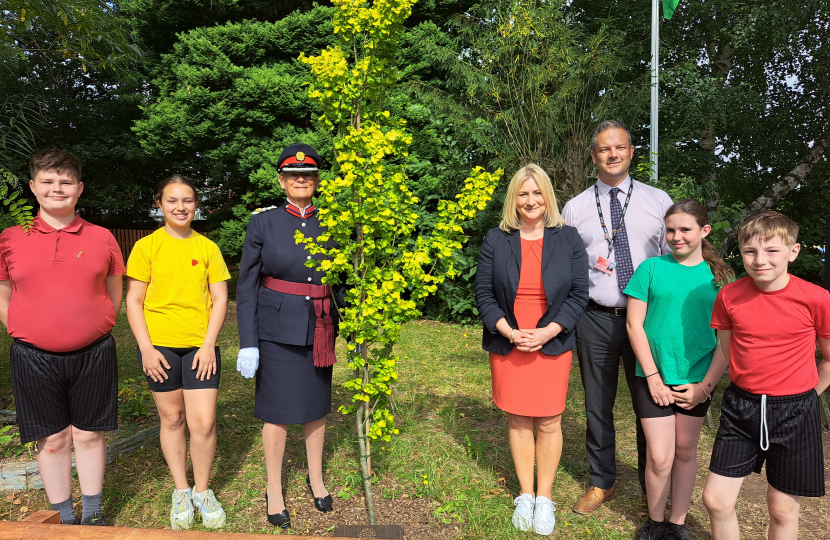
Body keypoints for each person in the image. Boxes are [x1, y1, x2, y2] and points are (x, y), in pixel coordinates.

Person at [0, 148, 124, 526]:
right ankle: (64, 518)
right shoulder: (9, 238)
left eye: (66, 181)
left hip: (94, 353)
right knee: (51, 439)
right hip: (33, 356)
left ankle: (93, 513)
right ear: (33, 187)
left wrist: (95, 324)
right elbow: (3, 293)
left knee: (89, 436)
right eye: (48, 181)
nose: (58, 188)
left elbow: (114, 291)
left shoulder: (102, 237)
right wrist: (22, 327)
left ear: (80, 188)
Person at [561, 119, 673, 514]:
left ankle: (651, 482)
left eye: (620, 147)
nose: (613, 154)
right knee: (597, 403)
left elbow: (673, 259)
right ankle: (601, 481)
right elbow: (570, 270)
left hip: (648, 321)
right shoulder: (574, 208)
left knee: (651, 403)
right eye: (605, 149)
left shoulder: (659, 201)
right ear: (594, 156)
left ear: (631, 152)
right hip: (596, 319)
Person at [475, 164, 589, 535]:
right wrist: (509, 332)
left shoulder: (568, 238)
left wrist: (547, 332)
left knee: (551, 419)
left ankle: (546, 498)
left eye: (537, 193)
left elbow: (578, 294)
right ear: (514, 199)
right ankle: (525, 494)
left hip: (552, 340)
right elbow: (484, 294)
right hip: (509, 340)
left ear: (548, 196)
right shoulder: (496, 238)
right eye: (523, 194)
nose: (530, 200)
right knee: (519, 419)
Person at [702, 211, 830, 540]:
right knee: (715, 500)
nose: (761, 260)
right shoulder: (729, 296)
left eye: (772, 250)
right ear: (741, 252)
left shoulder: (816, 298)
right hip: (741, 408)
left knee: (782, 508)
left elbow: (829, 359)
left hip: (796, 411)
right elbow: (729, 351)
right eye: (751, 251)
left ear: (793, 251)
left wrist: (805, 396)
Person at [236, 143, 342, 529]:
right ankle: (274, 487)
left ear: (316, 181)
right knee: (277, 412)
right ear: (282, 180)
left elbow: (342, 280)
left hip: (320, 324)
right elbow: (247, 285)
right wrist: (248, 340)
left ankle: (316, 478)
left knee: (316, 409)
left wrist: (355, 329)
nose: (302, 179)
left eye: (309, 175)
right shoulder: (263, 222)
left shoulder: (334, 221)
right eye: (294, 174)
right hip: (276, 329)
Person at [125, 175, 230, 529]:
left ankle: (202, 490)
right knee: (172, 419)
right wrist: (146, 349)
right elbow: (134, 300)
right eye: (172, 201)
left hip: (201, 348)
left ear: (196, 204)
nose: (180, 207)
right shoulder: (146, 247)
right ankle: (181, 490)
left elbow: (220, 299)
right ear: (160, 203)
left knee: (204, 423)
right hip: (161, 349)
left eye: (187, 201)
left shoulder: (207, 248)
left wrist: (208, 345)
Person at [624, 199, 733, 540]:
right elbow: (633, 325)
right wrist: (653, 376)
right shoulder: (650, 269)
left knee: (685, 451)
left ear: (704, 231)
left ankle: (677, 523)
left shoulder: (721, 278)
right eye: (670, 230)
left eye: (685, 229)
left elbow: (727, 341)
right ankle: (655, 522)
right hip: (652, 378)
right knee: (659, 457)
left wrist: (705, 387)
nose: (676, 236)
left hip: (696, 381)